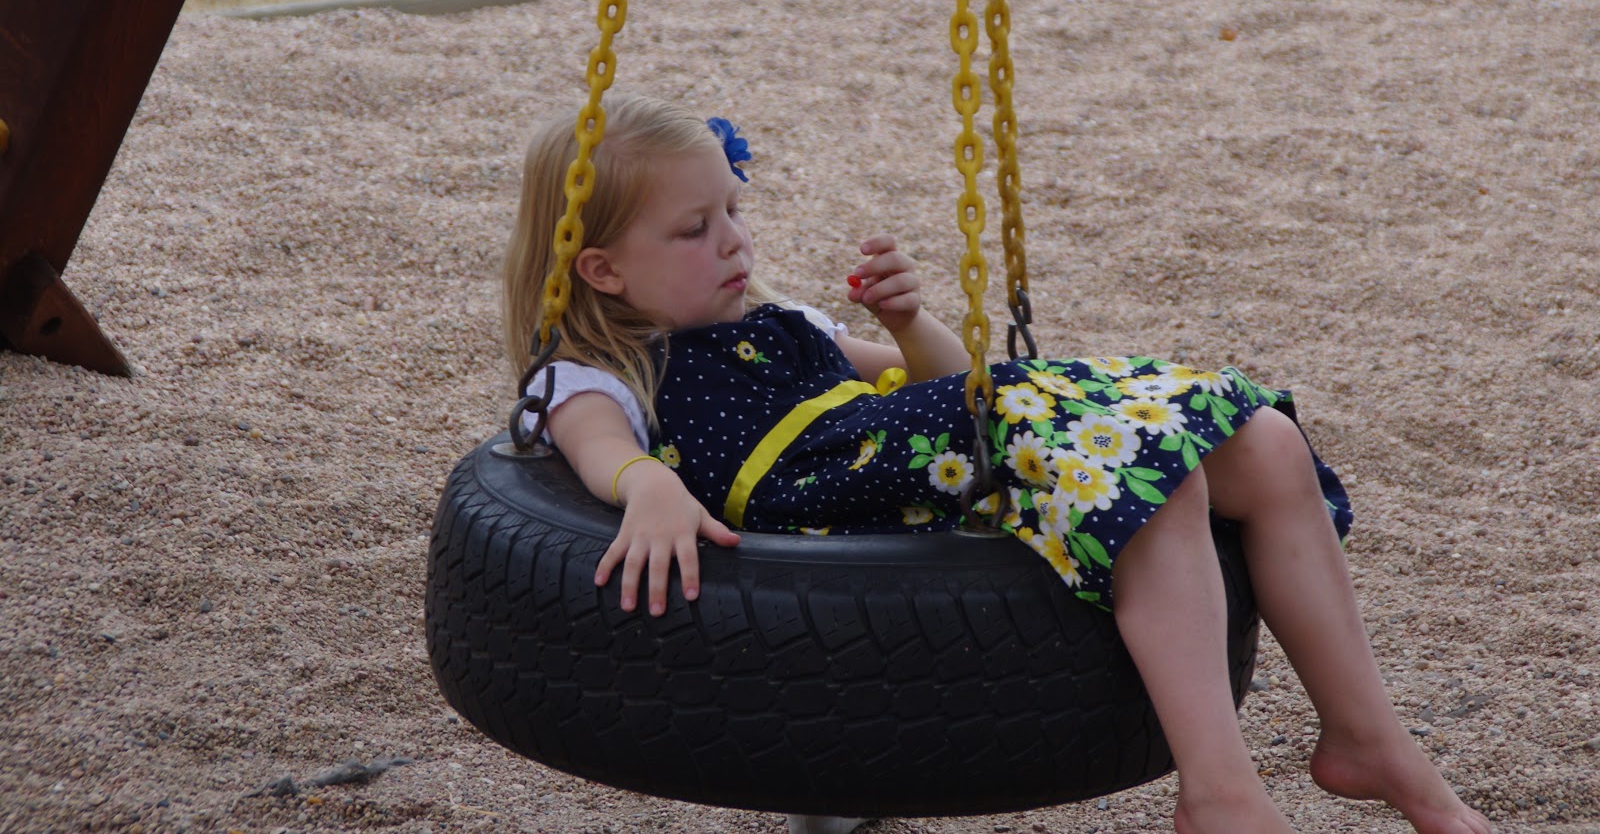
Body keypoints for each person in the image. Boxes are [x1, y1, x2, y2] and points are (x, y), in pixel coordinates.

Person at [502, 92, 1493, 834]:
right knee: (1146, 472)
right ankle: (1220, 791)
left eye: (732, 208)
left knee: (1263, 442)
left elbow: (955, 390)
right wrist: (650, 484)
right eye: (695, 228)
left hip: (916, 456)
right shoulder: (595, 372)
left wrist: (908, 321)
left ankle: (1367, 738)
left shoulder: (782, 321)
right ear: (602, 268)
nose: (735, 242)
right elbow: (598, 449)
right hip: (835, 495)